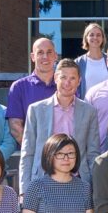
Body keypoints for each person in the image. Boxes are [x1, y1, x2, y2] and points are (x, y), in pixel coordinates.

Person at [20, 58, 100, 194]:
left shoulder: (89, 111)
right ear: (55, 78)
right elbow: (28, 152)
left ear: (79, 81)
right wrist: (24, 191)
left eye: (72, 78)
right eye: (63, 77)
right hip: (43, 181)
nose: (67, 83)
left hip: (78, 182)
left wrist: (94, 188)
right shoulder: (36, 110)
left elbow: (93, 153)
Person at [6, 37, 58, 146]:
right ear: (33, 57)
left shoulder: (65, 86)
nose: (45, 57)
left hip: (63, 154)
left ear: (55, 56)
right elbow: (15, 127)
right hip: (33, 156)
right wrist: (34, 151)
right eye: (40, 52)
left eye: (49, 52)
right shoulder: (18, 87)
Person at [75, 23, 108, 98]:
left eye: (98, 35)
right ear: (86, 38)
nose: (95, 37)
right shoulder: (78, 63)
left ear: (103, 38)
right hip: (86, 107)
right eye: (91, 35)